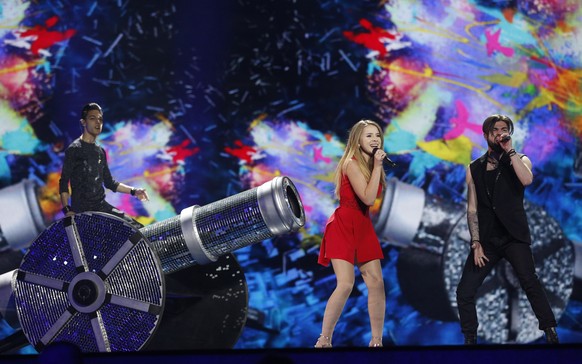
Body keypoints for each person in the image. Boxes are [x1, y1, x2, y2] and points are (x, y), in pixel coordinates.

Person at [456, 114, 559, 345]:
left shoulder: (520, 159)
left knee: (529, 281)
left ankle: (550, 331)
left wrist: (510, 152)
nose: (500, 133)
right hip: (487, 240)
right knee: (465, 290)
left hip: (514, 236)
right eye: (495, 130)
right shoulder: (474, 169)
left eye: (504, 129)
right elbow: (472, 209)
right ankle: (470, 339)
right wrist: (476, 242)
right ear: (486, 135)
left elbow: (526, 181)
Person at [315, 119, 387, 348]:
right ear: (357, 139)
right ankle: (324, 340)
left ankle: (377, 341)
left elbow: (370, 199)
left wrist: (376, 167)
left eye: (377, 135)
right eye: (368, 135)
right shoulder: (351, 163)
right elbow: (367, 198)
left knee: (376, 282)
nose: (375, 139)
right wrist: (377, 167)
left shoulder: (371, 164)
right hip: (343, 224)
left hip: (363, 225)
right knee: (346, 283)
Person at [59, 102, 149, 230]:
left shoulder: (100, 152)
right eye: (92, 118)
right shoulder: (74, 150)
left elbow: (110, 183)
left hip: (102, 207)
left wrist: (134, 191)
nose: (97, 122)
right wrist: (67, 209)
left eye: (100, 119)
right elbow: (64, 182)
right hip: (84, 213)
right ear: (83, 122)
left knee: (138, 230)